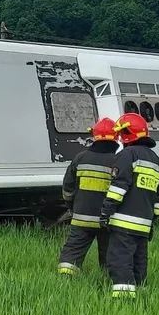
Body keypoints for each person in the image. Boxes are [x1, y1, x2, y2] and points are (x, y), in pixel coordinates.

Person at [99, 112, 159, 298]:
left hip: (123, 223)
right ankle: (141, 294)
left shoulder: (127, 155)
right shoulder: (155, 160)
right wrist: (152, 221)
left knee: (119, 260)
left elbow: (118, 188)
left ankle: (123, 300)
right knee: (139, 261)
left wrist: (106, 211)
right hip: (144, 225)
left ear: (127, 134)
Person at [56, 117, 119, 275]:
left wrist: (71, 206)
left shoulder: (80, 158)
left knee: (72, 252)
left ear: (94, 137)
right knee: (110, 255)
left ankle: (65, 279)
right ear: (116, 138)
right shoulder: (118, 161)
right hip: (107, 220)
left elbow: (68, 188)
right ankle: (107, 281)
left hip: (81, 217)